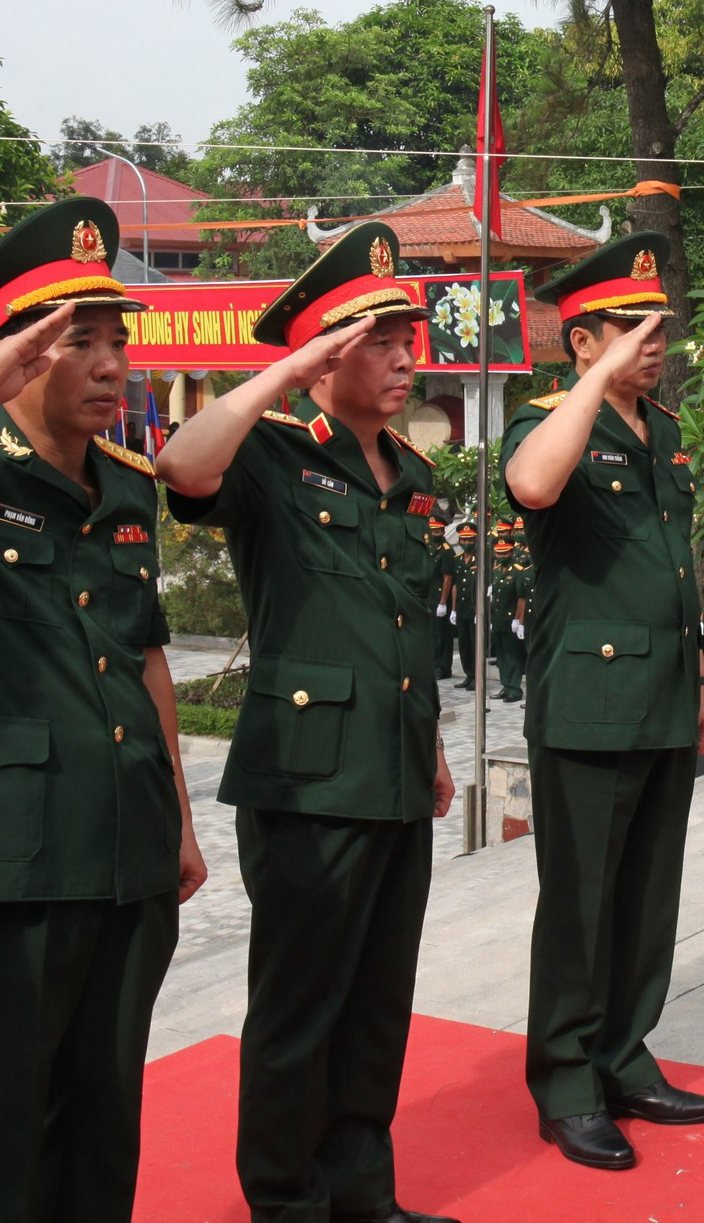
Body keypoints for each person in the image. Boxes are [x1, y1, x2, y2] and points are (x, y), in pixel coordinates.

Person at [0, 195, 207, 1222]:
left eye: (119, 342)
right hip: (7, 857)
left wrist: (181, 818)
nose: (115, 365)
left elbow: (147, 657)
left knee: (103, 1109)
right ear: (23, 355)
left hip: (125, 842)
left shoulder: (124, 487)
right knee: (2, 1119)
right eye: (81, 343)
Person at [157, 222, 458, 1223]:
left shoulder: (412, 475)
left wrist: (436, 749)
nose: (403, 359)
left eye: (406, 341)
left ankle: (362, 1195)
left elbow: (406, 624)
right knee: (298, 1010)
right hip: (305, 778)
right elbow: (182, 471)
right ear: (327, 356)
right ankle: (285, 1202)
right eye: (378, 341)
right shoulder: (273, 456)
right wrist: (278, 375)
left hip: (396, 768)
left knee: (376, 1005)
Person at [501, 232, 704, 1171]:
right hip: (588, 701)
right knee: (581, 903)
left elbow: (675, 571)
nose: (653, 342)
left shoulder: (663, 430)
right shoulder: (546, 418)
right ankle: (565, 1083)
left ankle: (626, 1056)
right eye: (630, 328)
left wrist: (703, 681)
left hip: (666, 693)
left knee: (646, 897)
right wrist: (593, 385)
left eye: (658, 327)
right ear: (581, 340)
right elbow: (531, 485)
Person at [489, 521, 525, 702]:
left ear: (511, 552)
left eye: (505, 552)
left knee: (512, 656)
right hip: (498, 619)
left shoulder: (517, 572)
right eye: (498, 552)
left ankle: (515, 688)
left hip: (511, 618)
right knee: (501, 656)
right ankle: (505, 684)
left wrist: (518, 620)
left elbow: (521, 598)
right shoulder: (495, 572)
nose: (501, 555)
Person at [446, 518, 478, 689]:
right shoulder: (457, 559)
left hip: (475, 609)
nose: (467, 542)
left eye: (470, 539)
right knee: (465, 645)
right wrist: (453, 608)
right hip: (462, 608)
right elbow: (455, 585)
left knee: (475, 645)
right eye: (464, 539)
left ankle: (477, 677)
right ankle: (468, 674)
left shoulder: (480, 559)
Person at [428, 513, 457, 680]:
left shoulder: (447, 551)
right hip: (430, 596)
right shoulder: (431, 548)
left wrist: (443, 602)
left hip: (441, 598)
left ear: (443, 531)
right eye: (433, 531)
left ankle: (444, 667)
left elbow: (448, 578)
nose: (435, 534)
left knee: (443, 635)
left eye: (438, 531)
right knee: (433, 634)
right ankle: (434, 664)